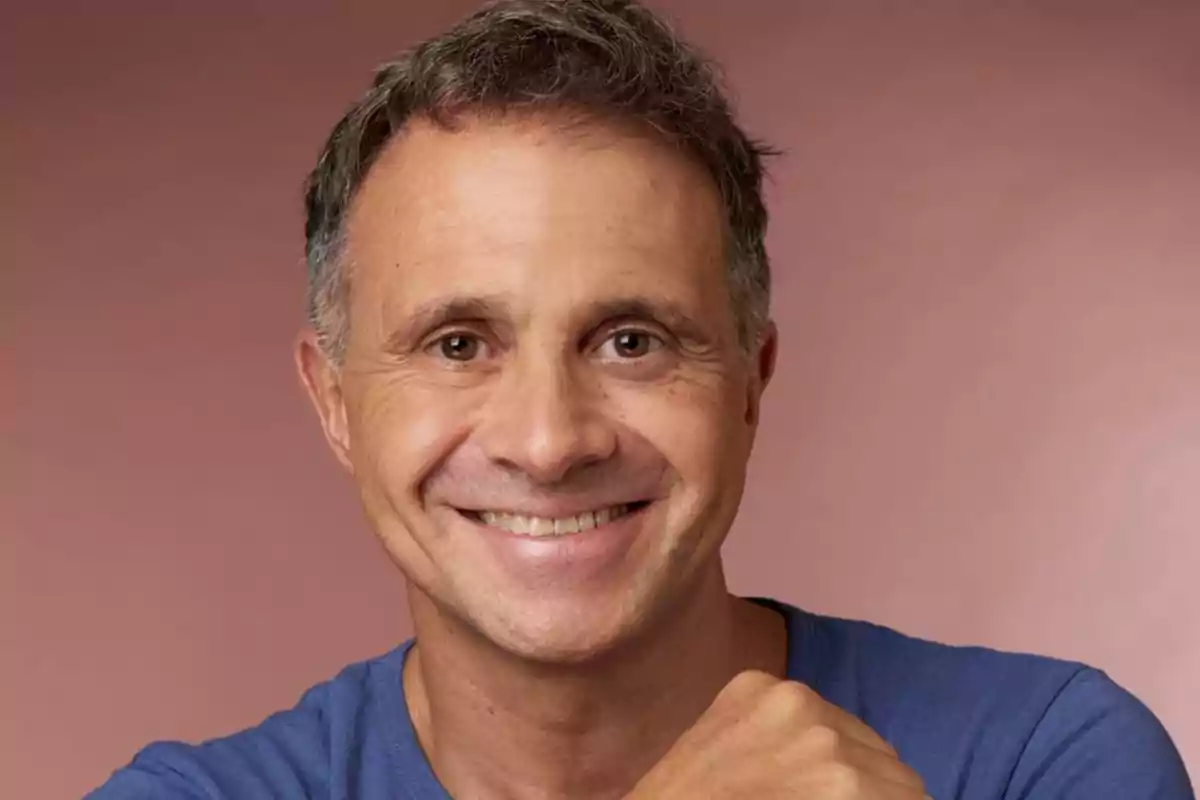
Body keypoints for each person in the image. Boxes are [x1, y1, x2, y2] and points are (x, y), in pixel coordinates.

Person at [88, 1, 1193, 798]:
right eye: (459, 341)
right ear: (334, 401)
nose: (548, 438)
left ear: (750, 387)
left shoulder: (1045, 760)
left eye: (631, 340)